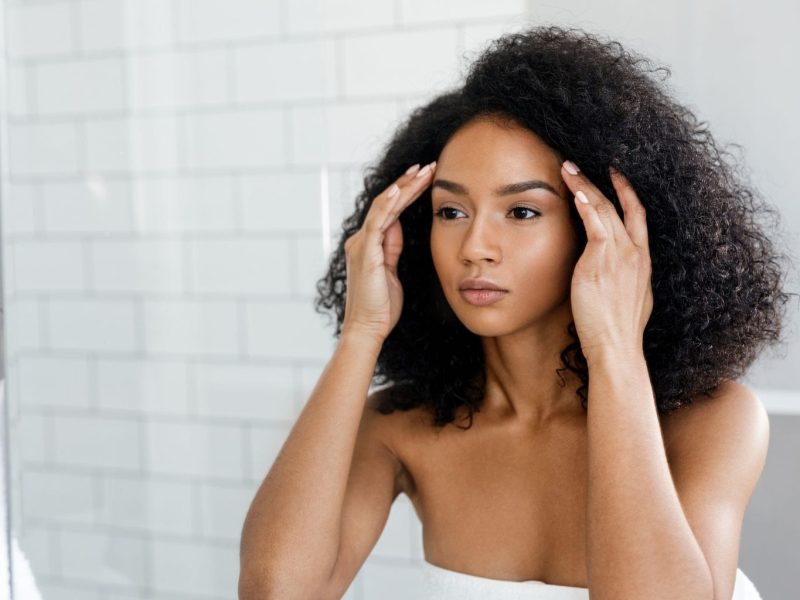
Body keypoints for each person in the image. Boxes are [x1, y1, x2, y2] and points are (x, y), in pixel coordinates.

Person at [239, 25, 790, 599]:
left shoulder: (711, 421)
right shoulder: (404, 427)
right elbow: (275, 591)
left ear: (599, 229)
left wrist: (615, 351)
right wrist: (361, 332)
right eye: (450, 211)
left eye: (522, 211)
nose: (474, 246)